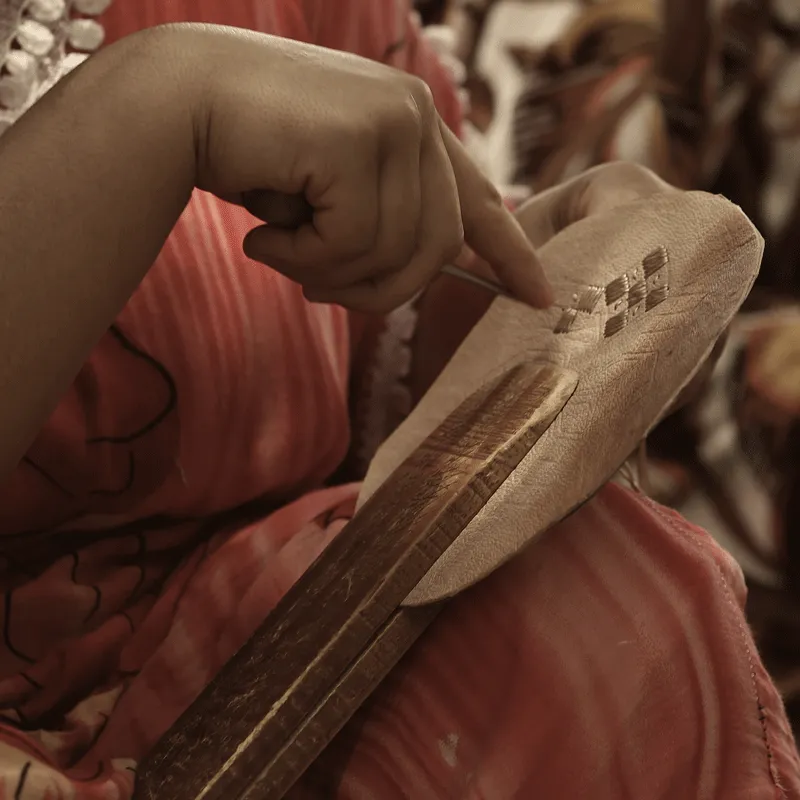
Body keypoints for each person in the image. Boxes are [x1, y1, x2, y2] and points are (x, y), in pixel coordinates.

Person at [0, 0, 796, 797]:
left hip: (269, 616)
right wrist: (158, 107)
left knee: (610, 612)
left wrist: (542, 285)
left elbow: (367, 355)